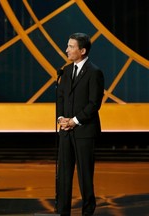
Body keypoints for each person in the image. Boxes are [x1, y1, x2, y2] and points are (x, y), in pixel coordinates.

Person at [56, 32, 104, 215]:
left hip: (84, 131)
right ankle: (63, 211)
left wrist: (75, 121)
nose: (66, 50)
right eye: (67, 46)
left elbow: (94, 104)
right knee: (64, 176)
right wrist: (61, 119)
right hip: (65, 131)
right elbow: (60, 97)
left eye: (70, 46)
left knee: (85, 176)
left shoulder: (94, 72)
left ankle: (87, 212)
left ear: (82, 50)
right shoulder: (66, 71)